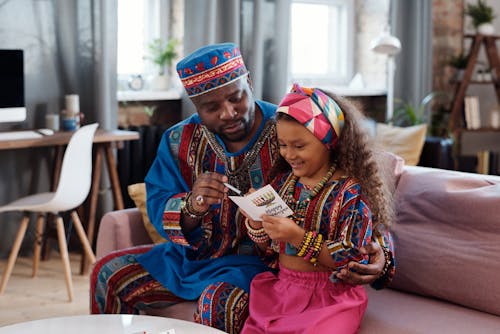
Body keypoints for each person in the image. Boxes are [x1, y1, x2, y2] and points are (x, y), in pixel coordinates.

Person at [90, 43, 394, 333]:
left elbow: (355, 187)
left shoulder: (291, 127)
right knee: (108, 273)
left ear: (249, 81)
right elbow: (159, 203)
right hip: (193, 260)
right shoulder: (177, 141)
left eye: (236, 98)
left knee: (219, 303)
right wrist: (193, 206)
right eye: (211, 107)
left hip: (262, 267)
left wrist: (382, 253)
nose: (228, 112)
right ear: (195, 106)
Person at [241, 84, 394, 334]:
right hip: (282, 291)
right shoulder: (283, 183)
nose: (289, 154)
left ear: (329, 141)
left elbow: (350, 256)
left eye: (299, 146)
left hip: (331, 297)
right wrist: (257, 222)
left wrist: (297, 236)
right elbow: (268, 249)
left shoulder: (351, 193)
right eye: (283, 145)